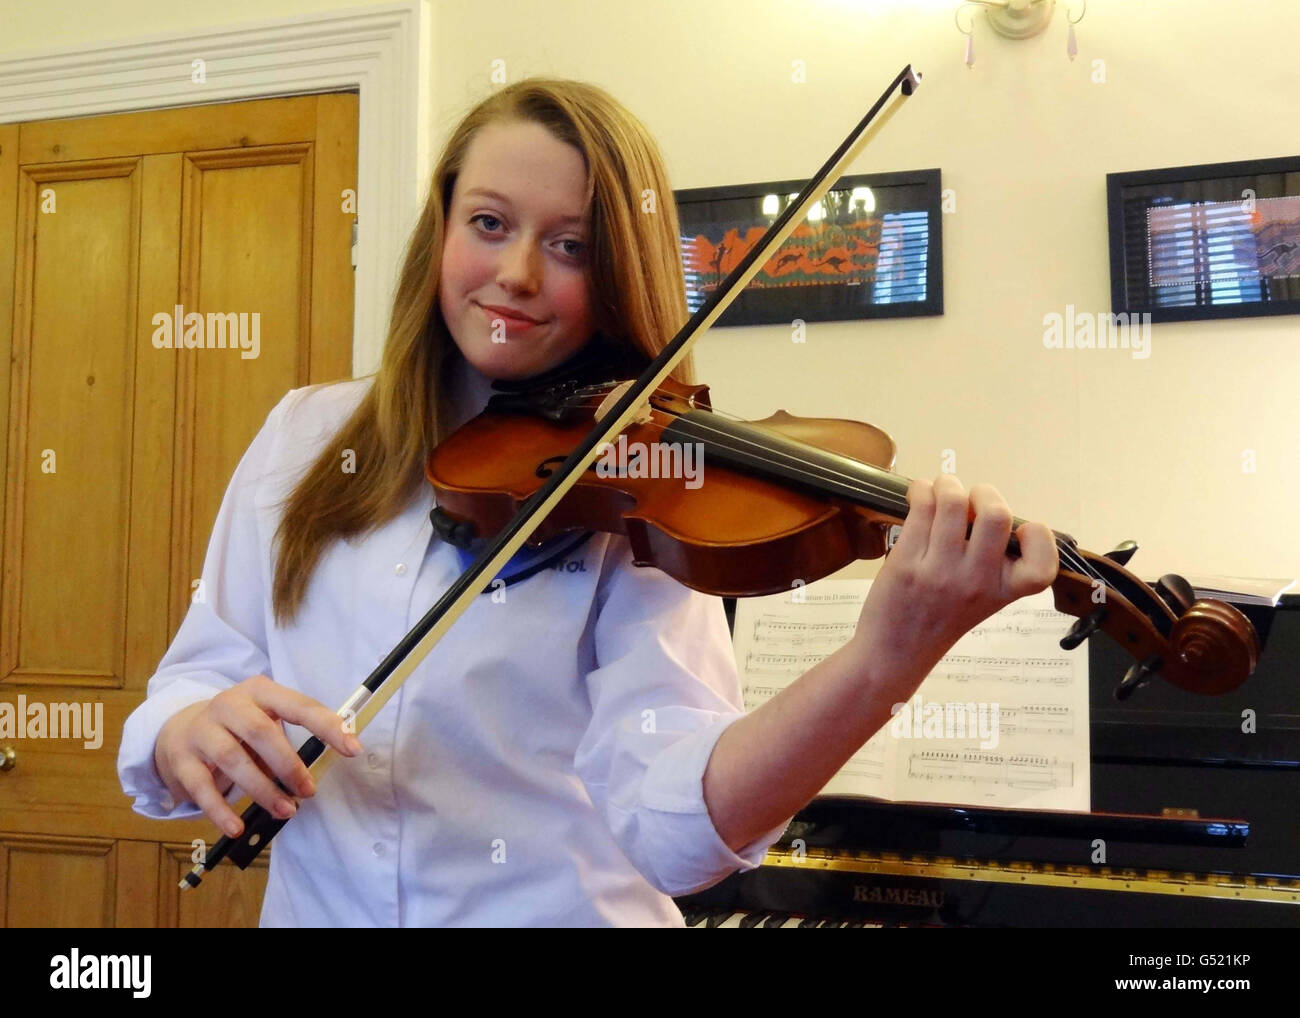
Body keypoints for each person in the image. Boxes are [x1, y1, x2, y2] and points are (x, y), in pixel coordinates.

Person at [117, 78, 1058, 927]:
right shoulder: (304, 436)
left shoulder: (640, 488)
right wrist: (184, 729)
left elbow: (674, 833)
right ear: (441, 228)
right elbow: (195, 677)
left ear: (618, 278)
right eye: (489, 223)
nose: (518, 273)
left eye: (570, 245)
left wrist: (882, 663)